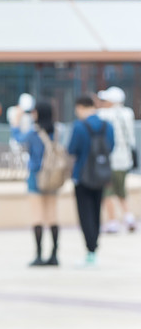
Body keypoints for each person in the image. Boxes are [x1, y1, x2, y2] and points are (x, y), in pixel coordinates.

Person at [11, 101, 61, 266]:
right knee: (52, 216)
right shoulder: (57, 131)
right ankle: (54, 255)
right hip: (53, 177)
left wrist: (15, 122)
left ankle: (39, 255)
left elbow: (18, 139)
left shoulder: (34, 133)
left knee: (37, 217)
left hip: (36, 177)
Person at [67, 94, 115, 266]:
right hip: (101, 174)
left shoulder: (79, 127)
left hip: (82, 175)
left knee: (85, 213)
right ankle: (94, 248)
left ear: (80, 107)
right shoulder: (107, 126)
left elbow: (72, 149)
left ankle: (90, 250)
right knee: (96, 212)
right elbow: (111, 146)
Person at [97, 86, 137, 233]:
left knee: (108, 191)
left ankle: (112, 221)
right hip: (125, 159)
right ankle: (128, 217)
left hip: (109, 159)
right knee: (121, 190)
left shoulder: (103, 114)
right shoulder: (128, 113)